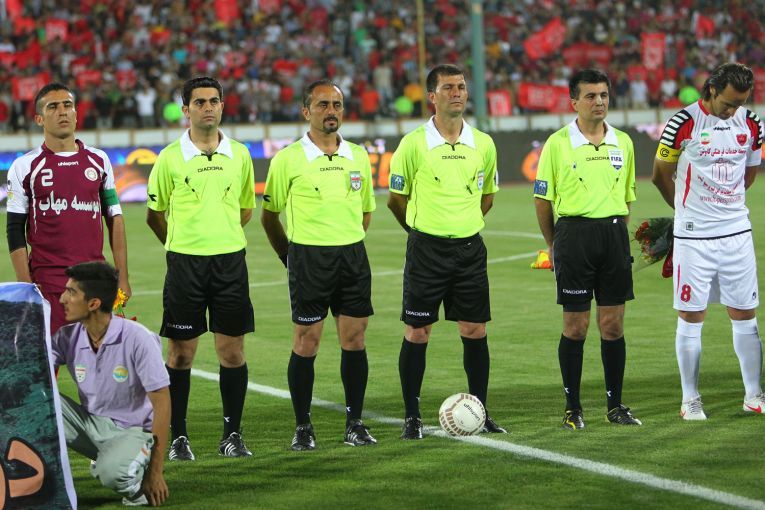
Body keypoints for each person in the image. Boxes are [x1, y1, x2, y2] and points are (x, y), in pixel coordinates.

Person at [387, 64, 506, 440]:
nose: (457, 92)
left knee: (475, 329)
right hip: (426, 249)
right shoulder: (413, 144)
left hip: (469, 250)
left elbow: (487, 197)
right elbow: (396, 199)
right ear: (431, 96)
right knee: (418, 331)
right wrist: (422, 231)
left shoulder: (483, 144)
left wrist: (463, 224)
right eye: (448, 87)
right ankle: (411, 416)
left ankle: (481, 411)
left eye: (461, 87)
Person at [261, 79, 377, 451]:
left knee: (355, 339)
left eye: (337, 105)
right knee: (306, 341)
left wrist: (346, 239)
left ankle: (355, 423)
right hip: (309, 259)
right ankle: (303, 426)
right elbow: (269, 217)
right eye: (323, 105)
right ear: (306, 111)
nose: (331, 111)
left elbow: (366, 211)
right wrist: (289, 257)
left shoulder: (358, 155)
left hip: (352, 257)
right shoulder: (287, 159)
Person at [146, 76, 256, 460]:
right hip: (185, 265)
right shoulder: (169, 158)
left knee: (232, 352)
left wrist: (220, 236)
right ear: (186, 109)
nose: (207, 107)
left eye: (213, 101)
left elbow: (245, 208)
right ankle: (179, 438)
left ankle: (232, 435)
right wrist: (182, 244)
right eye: (199, 102)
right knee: (180, 354)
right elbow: (155, 214)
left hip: (230, 262)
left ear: (222, 106)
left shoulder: (240, 154)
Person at [652, 62, 765, 420]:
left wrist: (726, 206)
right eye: (728, 103)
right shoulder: (682, 122)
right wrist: (684, 210)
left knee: (745, 313)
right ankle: (690, 400)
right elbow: (660, 175)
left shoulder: (752, 123)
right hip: (694, 236)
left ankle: (754, 395)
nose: (733, 110)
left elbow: (749, 173)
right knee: (691, 314)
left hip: (736, 233)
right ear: (712, 90)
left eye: (740, 103)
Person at [533, 68, 641, 430]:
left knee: (613, 325)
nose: (599, 102)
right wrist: (554, 245)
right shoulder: (557, 143)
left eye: (604, 95)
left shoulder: (623, 142)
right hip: (573, 237)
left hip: (613, 236)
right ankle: (573, 408)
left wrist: (617, 235)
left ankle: (615, 406)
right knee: (576, 326)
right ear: (574, 102)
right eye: (591, 96)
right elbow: (543, 199)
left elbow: (627, 196)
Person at [6, 82, 131, 336]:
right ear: (39, 119)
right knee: (52, 357)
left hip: (95, 280)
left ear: (76, 113)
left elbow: (114, 217)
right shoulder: (24, 166)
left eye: (67, 105)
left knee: (101, 356)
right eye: (53, 107)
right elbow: (15, 229)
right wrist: (25, 286)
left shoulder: (99, 160)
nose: (62, 111)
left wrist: (122, 277)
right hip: (48, 284)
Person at [51, 262, 169, 507]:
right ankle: (32, 478)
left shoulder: (138, 338)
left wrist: (156, 472)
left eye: (71, 292)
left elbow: (162, 402)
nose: (62, 299)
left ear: (93, 303)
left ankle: (137, 486)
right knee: (38, 400)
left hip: (134, 432)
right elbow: (31, 370)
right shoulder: (66, 337)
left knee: (112, 473)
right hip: (91, 425)